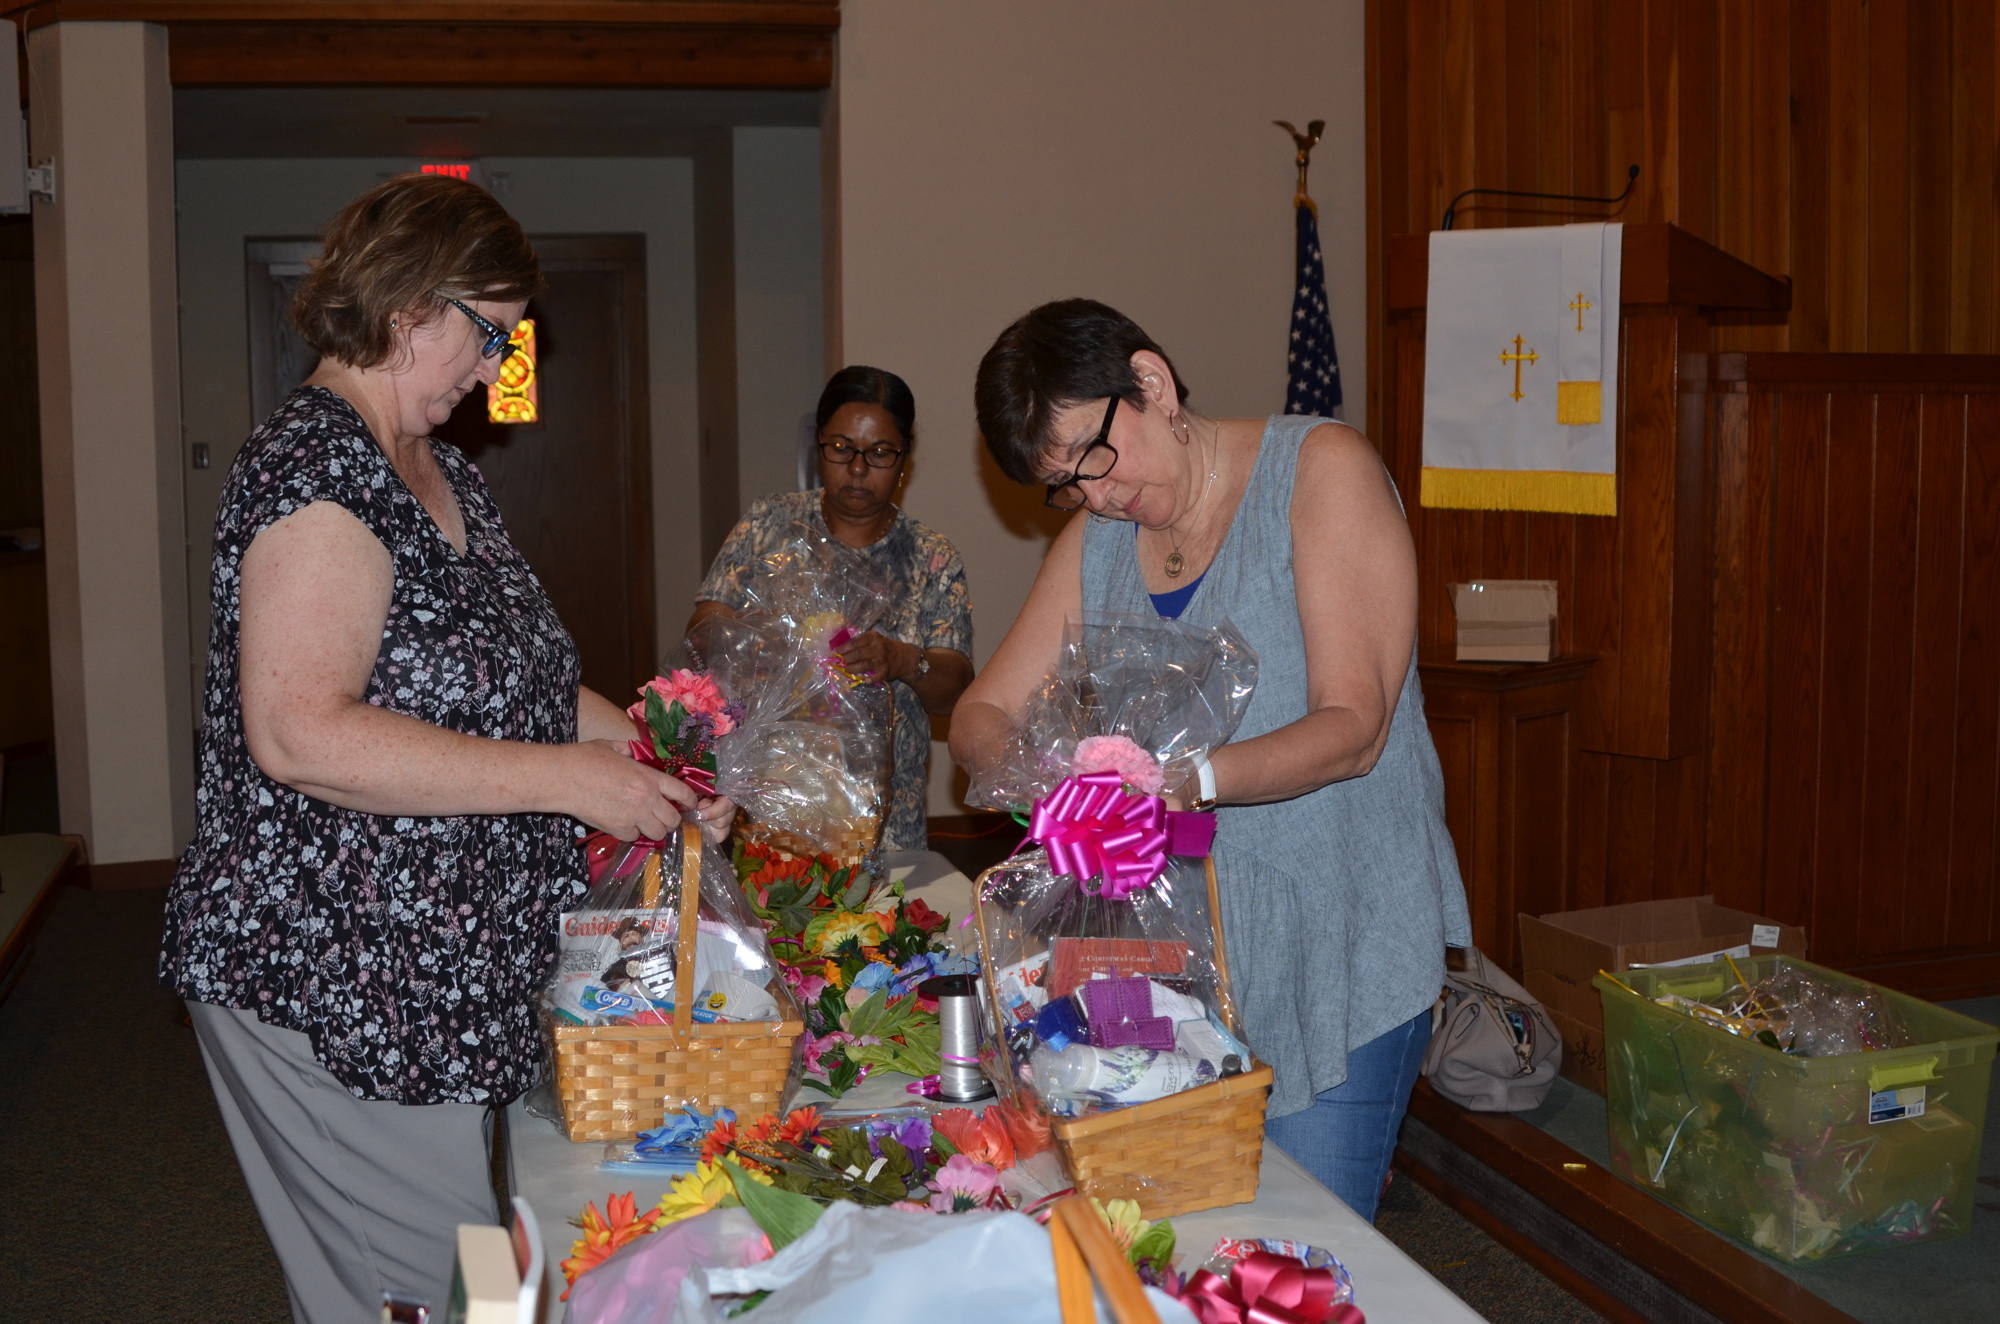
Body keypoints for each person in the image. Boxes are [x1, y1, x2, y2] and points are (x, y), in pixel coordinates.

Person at [159, 173, 733, 1324]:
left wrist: (645, 765)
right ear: (408, 302)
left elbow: (515, 685)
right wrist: (564, 785)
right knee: (423, 1286)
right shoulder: (315, 470)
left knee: (481, 1258)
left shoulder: (439, 468)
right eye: (489, 338)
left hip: (434, 973)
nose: (493, 371)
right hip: (335, 973)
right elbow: (297, 731)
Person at [953, 298, 1470, 1222]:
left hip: (1336, 936)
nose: (1097, 498)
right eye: (1065, 485)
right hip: (1169, 957)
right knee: (1180, 1235)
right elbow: (979, 715)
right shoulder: (1098, 541)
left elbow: (1354, 727)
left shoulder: (1319, 473)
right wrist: (1052, 787)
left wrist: (1182, 786)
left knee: (1312, 1238)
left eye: (1094, 458)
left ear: (1150, 385)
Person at [688, 366, 974, 852]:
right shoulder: (770, 524)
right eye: (841, 448)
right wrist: (769, 639)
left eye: (880, 453)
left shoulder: (931, 556)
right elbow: (701, 632)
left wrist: (902, 660)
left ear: (906, 454)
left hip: (885, 824)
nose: (858, 469)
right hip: (769, 812)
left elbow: (953, 691)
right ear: (818, 444)